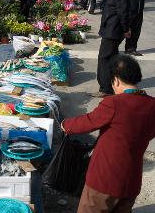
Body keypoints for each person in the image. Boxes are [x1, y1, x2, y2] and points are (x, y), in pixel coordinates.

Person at [62, 54, 155, 213]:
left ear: (116, 80)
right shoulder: (152, 105)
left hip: (105, 180)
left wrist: (65, 124)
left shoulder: (114, 103)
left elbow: (88, 122)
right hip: (131, 182)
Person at [95, 0, 130, 97]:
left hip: (113, 30)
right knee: (112, 58)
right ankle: (113, 84)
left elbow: (123, 12)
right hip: (111, 28)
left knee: (104, 58)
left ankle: (105, 89)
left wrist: (126, 29)